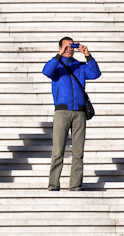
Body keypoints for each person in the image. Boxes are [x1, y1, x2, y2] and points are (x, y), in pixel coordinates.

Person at [42, 37, 101, 191]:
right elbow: (46, 71)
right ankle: (53, 184)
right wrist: (58, 55)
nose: (70, 50)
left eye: (71, 47)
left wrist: (88, 55)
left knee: (78, 152)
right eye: (66, 47)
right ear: (60, 47)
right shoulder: (56, 65)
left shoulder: (80, 66)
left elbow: (95, 74)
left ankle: (75, 185)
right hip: (61, 112)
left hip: (79, 112)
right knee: (58, 151)